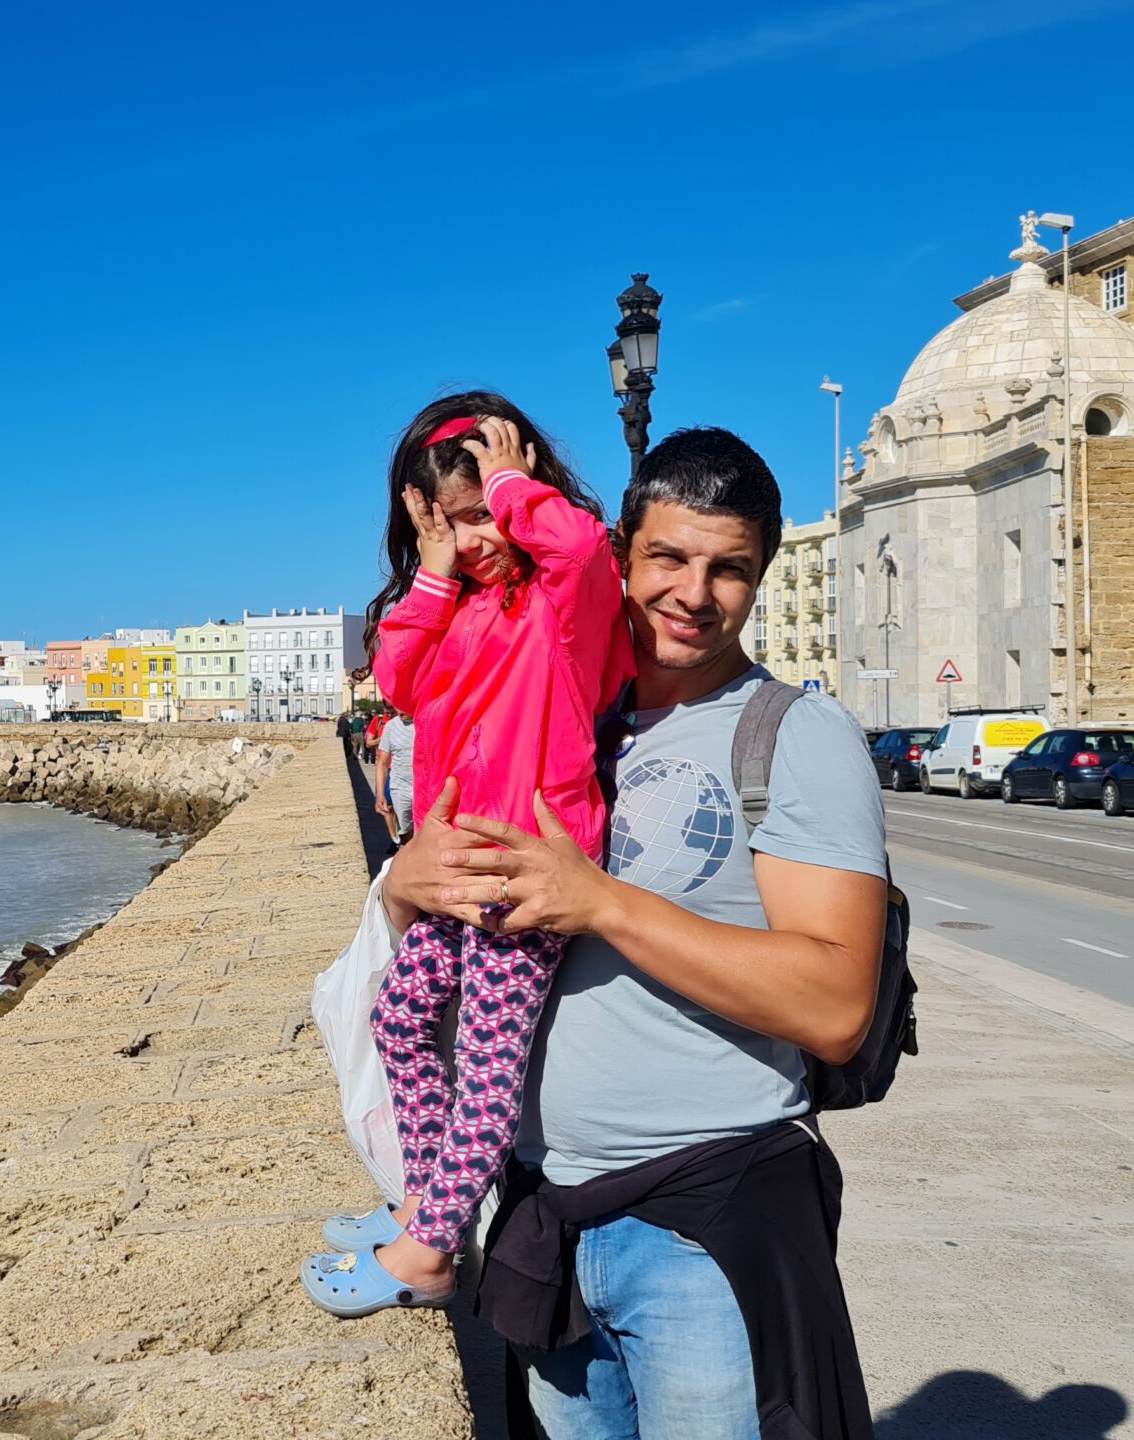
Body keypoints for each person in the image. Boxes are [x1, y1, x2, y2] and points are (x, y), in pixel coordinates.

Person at [378, 427, 886, 1439]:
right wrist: (405, 890)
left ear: (757, 581)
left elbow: (835, 1007)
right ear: (621, 554)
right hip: (546, 1224)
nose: (694, 593)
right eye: (668, 558)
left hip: (702, 1225)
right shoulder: (564, 705)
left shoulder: (791, 733)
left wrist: (601, 902)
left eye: (728, 569)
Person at [299, 392, 634, 1317]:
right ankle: (424, 1198)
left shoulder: (562, 599)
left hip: (524, 868)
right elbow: (399, 679)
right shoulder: (470, 602)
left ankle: (431, 1250)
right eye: (449, 525)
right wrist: (438, 573)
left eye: (481, 516)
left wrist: (511, 487)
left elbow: (572, 548)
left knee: (489, 1063)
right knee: (401, 1020)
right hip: (455, 869)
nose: (475, 537)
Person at [376, 707, 418, 841]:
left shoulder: (425, 722)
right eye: (397, 707)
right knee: (405, 831)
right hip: (400, 788)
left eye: (403, 707)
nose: (400, 712)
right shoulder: (390, 727)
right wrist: (380, 795)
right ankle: (407, 855)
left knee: (425, 829)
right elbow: (382, 763)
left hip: (423, 788)